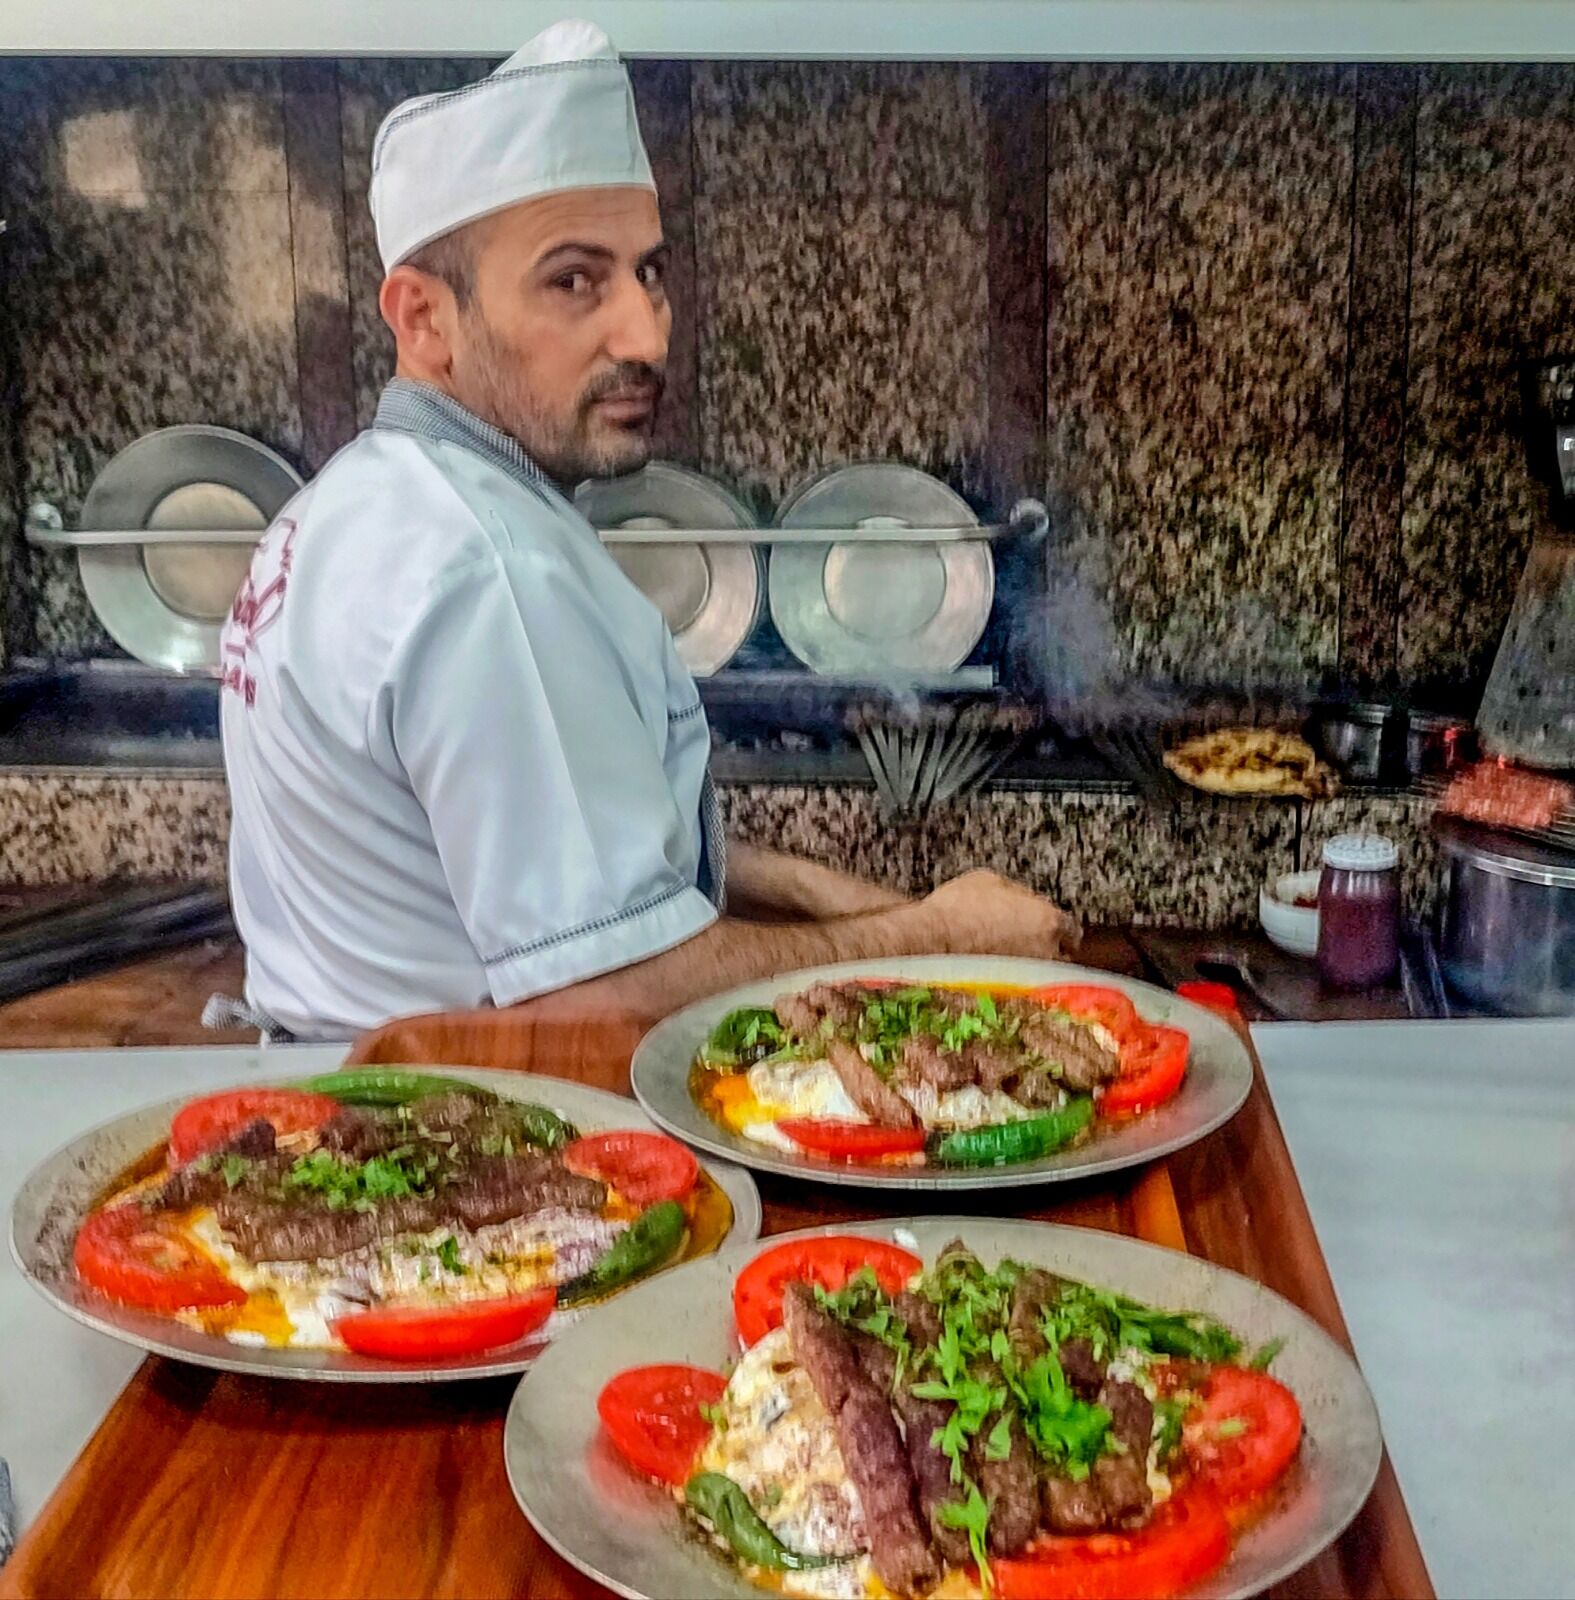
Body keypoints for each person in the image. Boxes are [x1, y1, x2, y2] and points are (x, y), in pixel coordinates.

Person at [217, 19, 1075, 1043]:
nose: (646, 333)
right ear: (423, 318)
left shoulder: (348, 505)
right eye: (573, 280)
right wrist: (943, 937)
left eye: (649, 273)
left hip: (347, 1097)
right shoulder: (491, 568)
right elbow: (601, 992)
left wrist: (813, 890)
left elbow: (529, 844)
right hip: (463, 1120)